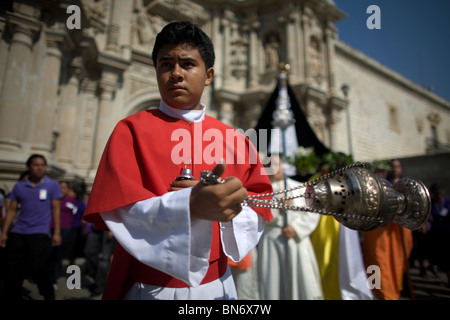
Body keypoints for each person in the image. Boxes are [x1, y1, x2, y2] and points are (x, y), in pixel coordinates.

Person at [83, 21, 273, 300]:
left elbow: (261, 202)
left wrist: (229, 210)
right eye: (165, 64)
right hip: (150, 288)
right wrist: (188, 205)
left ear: (208, 75)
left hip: (217, 285)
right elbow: (119, 210)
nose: (175, 74)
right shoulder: (130, 131)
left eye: (187, 64)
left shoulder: (235, 139)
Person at [257, 155, 323, 300]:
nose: (273, 168)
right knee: (274, 283)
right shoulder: (260, 192)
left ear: (282, 165)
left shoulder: (300, 187)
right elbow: (257, 218)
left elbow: (313, 212)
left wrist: (296, 228)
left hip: (296, 240)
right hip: (272, 240)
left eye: (276, 164)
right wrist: (275, 208)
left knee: (301, 280)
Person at [0, 154, 62, 300]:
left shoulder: (52, 185)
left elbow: (56, 210)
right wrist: (4, 233)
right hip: (19, 232)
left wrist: (57, 233)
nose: (40, 168)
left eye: (42, 165)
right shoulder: (20, 186)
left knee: (36, 267)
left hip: (39, 233)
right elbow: (12, 210)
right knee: (13, 269)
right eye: (36, 165)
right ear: (29, 167)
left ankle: (48, 293)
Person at [361, 159, 414, 300]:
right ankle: (378, 293)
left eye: (382, 172)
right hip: (374, 236)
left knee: (394, 266)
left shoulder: (396, 187)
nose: (380, 174)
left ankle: (391, 293)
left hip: (392, 235)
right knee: (376, 266)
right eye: (377, 172)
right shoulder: (367, 189)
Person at [48, 181, 77, 287]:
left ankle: (55, 277)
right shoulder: (53, 198)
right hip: (51, 227)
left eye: (64, 188)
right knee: (49, 253)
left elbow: (76, 213)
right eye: (60, 188)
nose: (62, 190)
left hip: (66, 228)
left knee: (59, 253)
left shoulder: (71, 200)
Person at [427, 183, 450, 286]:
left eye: (440, 193)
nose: (439, 196)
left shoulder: (448, 201)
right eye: (436, 194)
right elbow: (428, 215)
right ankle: (433, 266)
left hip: (447, 233)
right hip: (435, 233)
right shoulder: (431, 203)